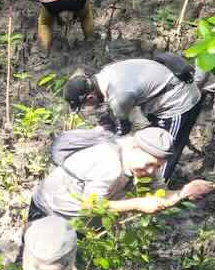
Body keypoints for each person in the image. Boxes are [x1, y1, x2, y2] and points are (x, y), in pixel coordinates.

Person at [63, 57, 204, 185]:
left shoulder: (119, 97)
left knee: (162, 149)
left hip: (178, 103)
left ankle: (157, 193)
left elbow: (123, 129)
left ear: (90, 98)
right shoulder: (105, 74)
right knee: (148, 144)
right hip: (161, 93)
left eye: (86, 106)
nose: (89, 108)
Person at [28, 126, 214, 222]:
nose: (150, 171)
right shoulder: (109, 164)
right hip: (50, 211)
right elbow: (90, 206)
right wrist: (138, 204)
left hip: (82, 222)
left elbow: (159, 196)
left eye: (157, 166)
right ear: (134, 147)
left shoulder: (147, 167)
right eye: (149, 164)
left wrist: (184, 193)